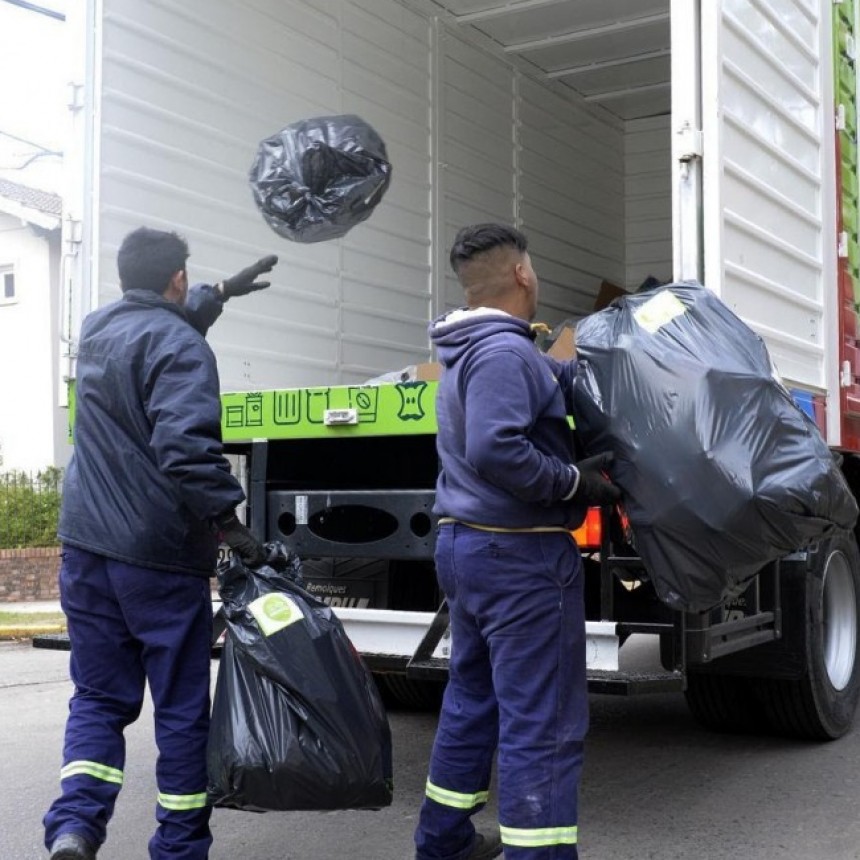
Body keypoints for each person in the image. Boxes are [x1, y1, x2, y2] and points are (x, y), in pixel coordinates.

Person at [43, 227, 277, 860]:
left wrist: (219, 293)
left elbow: (151, 331)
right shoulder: (181, 345)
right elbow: (185, 450)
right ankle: (177, 848)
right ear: (176, 280)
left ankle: (74, 828)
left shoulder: (98, 328)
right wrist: (232, 526)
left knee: (97, 696)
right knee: (179, 710)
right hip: (158, 555)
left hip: (86, 544)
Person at [413, 224, 621, 860]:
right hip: (519, 555)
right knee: (546, 720)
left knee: (473, 698)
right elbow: (496, 446)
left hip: (471, 550)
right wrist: (573, 481)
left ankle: (444, 840)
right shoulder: (503, 354)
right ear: (524, 276)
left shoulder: (472, 350)